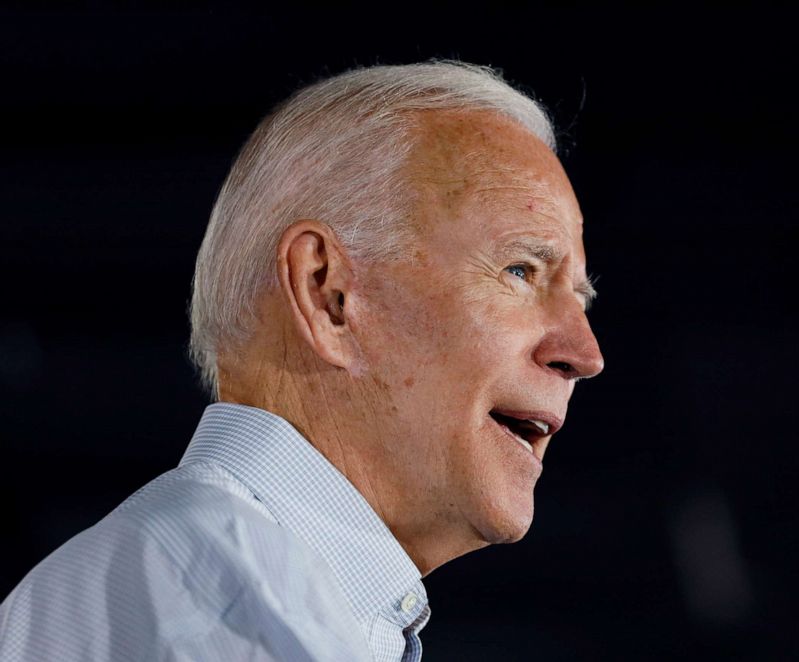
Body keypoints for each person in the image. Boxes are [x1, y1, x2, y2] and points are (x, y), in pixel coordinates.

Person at [0, 60, 604, 661]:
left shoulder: (206, 585)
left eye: (580, 300)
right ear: (328, 295)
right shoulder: (228, 616)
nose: (584, 355)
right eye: (520, 271)